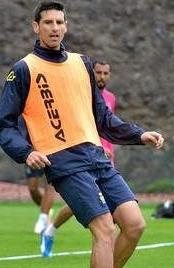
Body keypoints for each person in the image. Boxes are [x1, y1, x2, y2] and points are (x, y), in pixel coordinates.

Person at [0, 0, 164, 268]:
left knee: (134, 224)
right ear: (35, 27)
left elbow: (103, 119)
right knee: (104, 229)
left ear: (66, 26)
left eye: (60, 22)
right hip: (62, 160)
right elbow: (2, 125)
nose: (54, 28)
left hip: (96, 155)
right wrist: (26, 152)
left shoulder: (82, 64)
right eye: (47, 23)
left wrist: (139, 134)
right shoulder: (23, 70)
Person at [40, 60, 117, 257]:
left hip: (106, 158)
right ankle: (51, 231)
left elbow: (106, 125)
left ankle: (52, 232)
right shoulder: (83, 95)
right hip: (87, 154)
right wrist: (96, 146)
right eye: (98, 72)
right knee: (87, 205)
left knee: (103, 208)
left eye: (105, 73)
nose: (101, 77)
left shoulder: (110, 98)